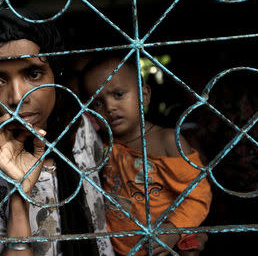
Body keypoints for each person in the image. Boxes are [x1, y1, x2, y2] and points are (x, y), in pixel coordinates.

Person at [0, 8, 115, 256]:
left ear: (57, 74)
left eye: (33, 74)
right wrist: (18, 195)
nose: (17, 97)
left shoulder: (80, 131)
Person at [81, 55, 212, 256]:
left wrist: (174, 230)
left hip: (165, 246)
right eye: (97, 103)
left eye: (118, 94)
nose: (109, 107)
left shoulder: (167, 141)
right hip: (118, 249)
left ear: (144, 95)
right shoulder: (100, 144)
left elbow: (198, 194)